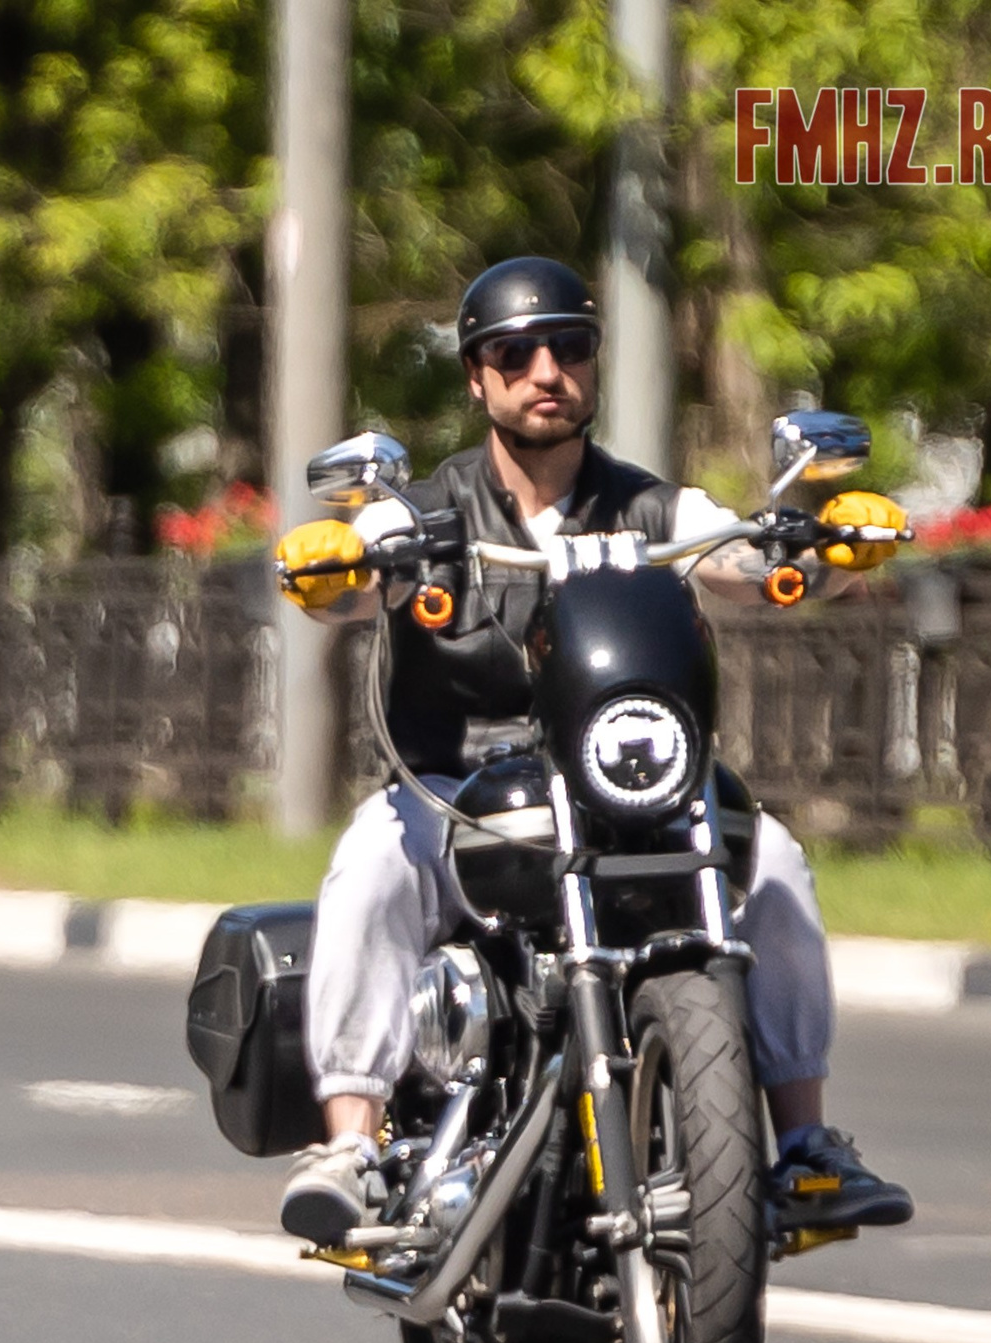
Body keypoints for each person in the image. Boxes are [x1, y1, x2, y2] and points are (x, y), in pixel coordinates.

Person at [274, 255, 915, 1248]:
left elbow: (737, 561)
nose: (545, 371)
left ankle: (803, 1147)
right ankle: (350, 1148)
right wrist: (332, 568)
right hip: (455, 792)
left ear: (592, 365)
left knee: (776, 861)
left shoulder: (655, 508)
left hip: (626, 785)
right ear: (475, 378)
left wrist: (823, 555)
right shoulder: (430, 515)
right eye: (514, 353)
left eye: (568, 348)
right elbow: (353, 587)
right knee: (366, 860)